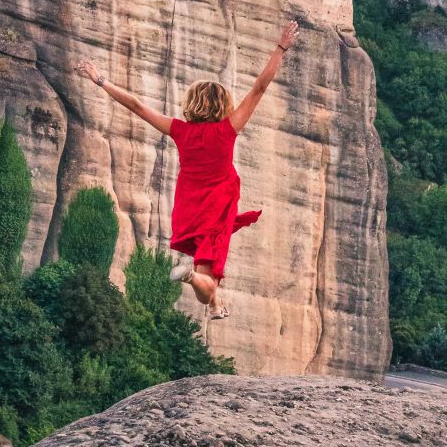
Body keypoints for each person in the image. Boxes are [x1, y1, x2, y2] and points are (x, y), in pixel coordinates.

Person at [75, 19, 299, 320]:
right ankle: (192, 279)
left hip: (188, 208)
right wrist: (281, 47)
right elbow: (259, 88)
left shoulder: (180, 130)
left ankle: (217, 305)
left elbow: (138, 106)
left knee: (209, 279)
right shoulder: (228, 129)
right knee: (206, 284)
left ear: (193, 103)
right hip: (216, 210)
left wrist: (100, 80)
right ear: (224, 105)